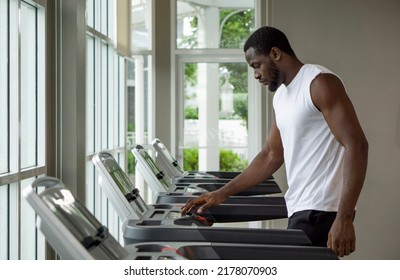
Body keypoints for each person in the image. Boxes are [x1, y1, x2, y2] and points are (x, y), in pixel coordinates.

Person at [181, 26, 369, 257]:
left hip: (323, 208)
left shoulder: (319, 82)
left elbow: (357, 145)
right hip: (300, 205)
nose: (256, 75)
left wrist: (344, 218)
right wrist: (221, 193)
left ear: (276, 54)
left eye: (257, 65)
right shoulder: (281, 96)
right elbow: (271, 154)